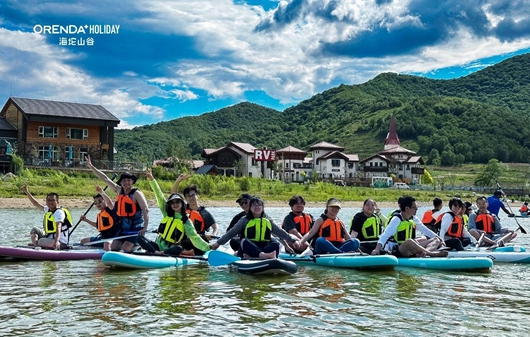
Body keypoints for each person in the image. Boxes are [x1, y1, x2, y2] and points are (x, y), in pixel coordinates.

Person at [85, 155, 149, 252]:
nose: (126, 183)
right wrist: (92, 167)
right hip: (123, 228)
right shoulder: (119, 190)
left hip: (136, 228)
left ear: (132, 181)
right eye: (124, 181)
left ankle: (136, 245)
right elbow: (105, 179)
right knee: (114, 248)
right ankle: (130, 246)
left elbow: (145, 210)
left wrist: (145, 227)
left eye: (128, 180)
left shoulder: (137, 193)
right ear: (121, 182)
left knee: (125, 249)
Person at [137, 171, 210, 256]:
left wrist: (209, 247)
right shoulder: (167, 213)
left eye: (177, 202)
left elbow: (195, 238)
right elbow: (159, 195)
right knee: (139, 238)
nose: (175, 204)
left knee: (179, 248)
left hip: (171, 249)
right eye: (172, 203)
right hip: (158, 246)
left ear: (182, 204)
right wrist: (152, 179)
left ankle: (158, 253)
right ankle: (157, 252)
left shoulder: (186, 220)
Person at [210, 196, 300, 259]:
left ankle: (255, 256)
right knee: (243, 241)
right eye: (254, 205)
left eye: (259, 205)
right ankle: (262, 256)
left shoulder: (267, 220)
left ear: (263, 207)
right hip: (249, 247)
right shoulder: (244, 220)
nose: (257, 207)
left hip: (263, 247)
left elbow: (279, 232)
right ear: (250, 208)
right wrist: (217, 243)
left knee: (276, 244)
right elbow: (231, 233)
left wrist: (292, 240)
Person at [371, 196, 447, 257]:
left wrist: (440, 238)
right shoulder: (396, 219)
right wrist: (377, 249)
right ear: (407, 208)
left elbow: (425, 230)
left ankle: (424, 253)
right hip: (397, 249)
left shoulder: (413, 218)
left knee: (436, 239)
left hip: (411, 248)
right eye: (414, 208)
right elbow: (385, 235)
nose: (416, 209)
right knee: (409, 241)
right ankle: (431, 253)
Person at [171, 174, 219, 255]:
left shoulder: (204, 213)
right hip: (184, 239)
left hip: (199, 240)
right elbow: (173, 194)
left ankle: (186, 252)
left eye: (193, 195)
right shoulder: (183, 208)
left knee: (193, 241)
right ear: (185, 198)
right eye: (188, 196)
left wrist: (213, 235)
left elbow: (215, 227)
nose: (191, 198)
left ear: (197, 195)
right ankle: (184, 252)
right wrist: (178, 180)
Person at [23, 183, 73, 250]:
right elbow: (36, 204)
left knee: (41, 241)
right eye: (48, 200)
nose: (50, 202)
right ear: (46, 201)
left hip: (60, 243)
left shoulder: (59, 212)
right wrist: (27, 192)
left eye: (53, 200)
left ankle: (38, 244)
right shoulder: (48, 209)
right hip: (49, 239)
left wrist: (57, 242)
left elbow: (58, 227)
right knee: (34, 230)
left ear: (57, 202)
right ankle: (36, 246)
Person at [79, 186, 120, 251]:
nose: (98, 204)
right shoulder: (101, 214)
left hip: (112, 239)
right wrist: (86, 220)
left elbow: (109, 202)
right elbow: (97, 225)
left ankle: (107, 255)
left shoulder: (111, 210)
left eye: (100, 201)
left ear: (105, 201)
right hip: (102, 238)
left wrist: (102, 192)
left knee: (106, 244)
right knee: (83, 241)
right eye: (96, 203)